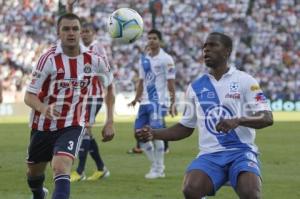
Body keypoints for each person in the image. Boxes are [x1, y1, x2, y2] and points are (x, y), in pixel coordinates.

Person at [136, 32, 273, 198]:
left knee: (250, 192)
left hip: (241, 151)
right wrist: (154, 133)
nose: (206, 50)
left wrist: (238, 120)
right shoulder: (195, 87)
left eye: (213, 45)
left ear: (227, 51)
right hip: (210, 155)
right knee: (190, 189)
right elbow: (185, 128)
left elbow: (267, 117)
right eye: (204, 47)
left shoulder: (245, 80)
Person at [24, 13, 115, 199]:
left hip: (72, 124)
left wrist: (110, 121)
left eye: (75, 28)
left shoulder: (95, 60)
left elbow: (110, 89)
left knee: (60, 166)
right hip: (42, 125)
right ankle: (39, 193)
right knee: (34, 173)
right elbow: (29, 96)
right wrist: (44, 108)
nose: (71, 33)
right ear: (58, 32)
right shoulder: (48, 59)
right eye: (66, 29)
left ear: (81, 32)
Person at [128, 29, 177, 179]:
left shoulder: (166, 59)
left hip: (158, 102)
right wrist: (136, 98)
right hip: (144, 102)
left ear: (160, 41)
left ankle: (159, 168)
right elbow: (142, 81)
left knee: (156, 135)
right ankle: (156, 165)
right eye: (149, 38)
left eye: (154, 38)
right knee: (139, 135)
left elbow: (171, 82)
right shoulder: (143, 59)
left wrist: (173, 102)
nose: (151, 40)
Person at [70, 22, 112, 182]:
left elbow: (104, 69)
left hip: (93, 96)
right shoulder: (79, 47)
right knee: (87, 132)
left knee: (83, 130)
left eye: (87, 31)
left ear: (93, 33)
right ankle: (101, 168)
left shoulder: (97, 48)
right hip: (81, 97)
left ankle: (80, 171)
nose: (84, 34)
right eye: (83, 32)